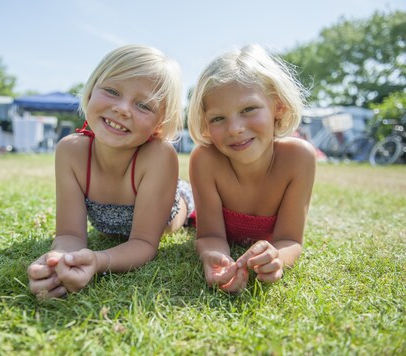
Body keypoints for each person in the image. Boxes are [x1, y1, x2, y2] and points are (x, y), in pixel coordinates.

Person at [27, 44, 194, 299]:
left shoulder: (160, 155)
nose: (123, 109)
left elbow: (144, 244)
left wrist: (97, 260)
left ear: (159, 123)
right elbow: (69, 234)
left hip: (178, 204)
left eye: (144, 106)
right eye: (112, 91)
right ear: (92, 89)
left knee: (188, 208)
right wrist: (58, 260)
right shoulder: (70, 151)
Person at [187, 44, 316, 293]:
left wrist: (277, 257)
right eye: (218, 118)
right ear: (205, 122)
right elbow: (210, 235)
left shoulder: (299, 158)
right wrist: (215, 257)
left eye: (248, 110)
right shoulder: (204, 159)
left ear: (278, 107)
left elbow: (290, 240)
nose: (234, 128)